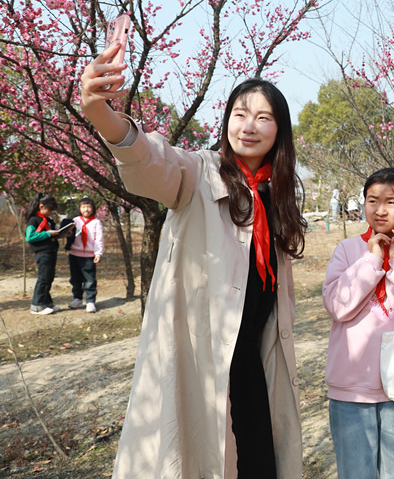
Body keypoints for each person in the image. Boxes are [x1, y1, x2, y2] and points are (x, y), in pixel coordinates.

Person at [80, 42, 306, 477]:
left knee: (261, 459)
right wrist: (98, 111)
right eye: (240, 114)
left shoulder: (276, 195)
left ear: (280, 130)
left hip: (254, 359)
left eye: (264, 117)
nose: (249, 126)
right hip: (206, 356)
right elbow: (147, 158)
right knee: (204, 455)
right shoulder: (199, 173)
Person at [323, 168, 394, 479]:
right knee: (355, 472)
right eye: (372, 201)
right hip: (351, 387)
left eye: (391, 201)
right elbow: (337, 306)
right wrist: (373, 260)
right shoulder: (348, 250)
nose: (380, 209)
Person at [25, 193, 71, 315]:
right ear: (41, 206)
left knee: (49, 278)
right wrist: (48, 234)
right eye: (49, 209)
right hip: (42, 253)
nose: (51, 212)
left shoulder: (49, 220)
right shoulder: (34, 220)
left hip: (51, 251)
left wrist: (64, 233)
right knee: (43, 278)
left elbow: (54, 231)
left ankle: (47, 303)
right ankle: (37, 305)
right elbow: (30, 236)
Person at [66, 196, 104, 313]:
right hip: (74, 254)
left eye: (89, 207)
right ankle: (77, 299)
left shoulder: (96, 222)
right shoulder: (75, 220)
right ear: (79, 208)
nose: (86, 209)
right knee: (75, 278)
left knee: (90, 279)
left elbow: (99, 239)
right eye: (83, 207)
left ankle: (90, 301)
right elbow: (69, 234)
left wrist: (98, 253)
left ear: (93, 209)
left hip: (88, 256)